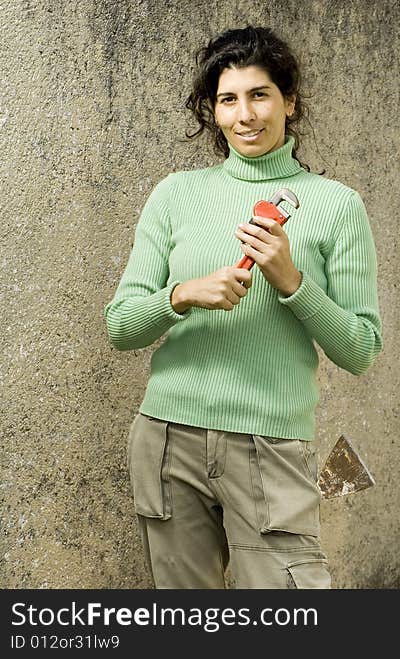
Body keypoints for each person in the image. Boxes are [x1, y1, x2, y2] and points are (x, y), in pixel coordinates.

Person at [103, 26, 382, 589]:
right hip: (168, 439)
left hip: (272, 444)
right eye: (228, 99)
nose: (245, 114)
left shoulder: (336, 206)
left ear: (289, 102)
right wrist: (182, 295)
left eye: (260, 95)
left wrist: (291, 281)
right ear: (213, 111)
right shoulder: (175, 195)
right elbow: (120, 326)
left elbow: (360, 350)